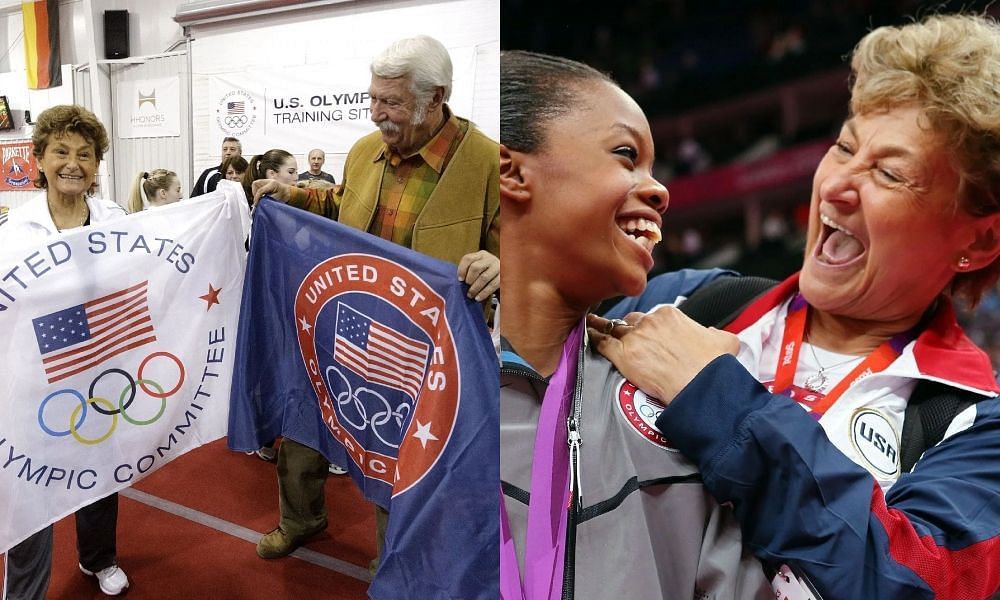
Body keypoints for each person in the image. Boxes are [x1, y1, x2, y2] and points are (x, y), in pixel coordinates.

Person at [589, 13, 1000, 599]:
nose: (835, 184)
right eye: (844, 146)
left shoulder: (976, 431)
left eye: (889, 172)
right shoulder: (687, 300)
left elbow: (910, 582)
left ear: (979, 240)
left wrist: (715, 395)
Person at [498, 50, 769, 599]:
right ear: (510, 172)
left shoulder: (675, 403)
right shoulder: (433, 377)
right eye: (626, 155)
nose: (659, 190)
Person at [251, 34, 499, 573]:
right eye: (373, 98)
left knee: (402, 455)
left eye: (390, 102)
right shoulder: (366, 150)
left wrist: (503, 266)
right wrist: (295, 196)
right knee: (304, 425)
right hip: (344, 321)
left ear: (436, 97)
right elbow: (342, 203)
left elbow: (526, 246)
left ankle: (395, 560)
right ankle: (301, 518)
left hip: (422, 349)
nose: (376, 113)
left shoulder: (486, 163)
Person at [0, 105, 130, 597]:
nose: (73, 163)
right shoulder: (13, 233)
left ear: (97, 165)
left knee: (99, 475)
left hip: (99, 374)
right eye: (60, 151)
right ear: (39, 158)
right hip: (35, 383)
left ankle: (98, 558)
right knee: (29, 493)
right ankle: (25, 590)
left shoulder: (117, 219)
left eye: (85, 153)